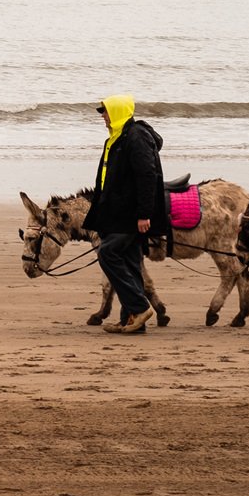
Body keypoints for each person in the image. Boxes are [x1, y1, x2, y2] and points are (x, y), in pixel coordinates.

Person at [80, 94, 167, 335]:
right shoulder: (117, 136)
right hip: (117, 212)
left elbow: (147, 176)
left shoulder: (136, 137)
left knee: (107, 253)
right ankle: (131, 320)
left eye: (106, 111)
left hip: (131, 214)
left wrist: (144, 214)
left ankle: (139, 308)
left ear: (118, 111)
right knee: (129, 262)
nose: (103, 117)